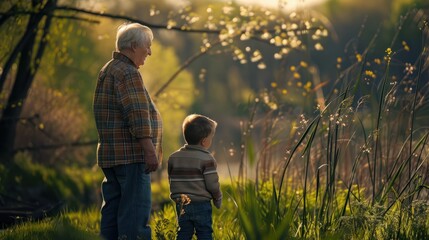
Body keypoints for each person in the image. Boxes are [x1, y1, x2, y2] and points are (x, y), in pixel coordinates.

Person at [93, 22, 162, 240]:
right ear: (133, 46)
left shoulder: (108, 69)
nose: (149, 52)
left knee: (112, 211)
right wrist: (149, 150)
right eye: (147, 46)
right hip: (131, 157)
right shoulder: (129, 72)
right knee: (135, 214)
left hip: (112, 156)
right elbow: (137, 115)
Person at [168, 114, 222, 240]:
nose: (211, 140)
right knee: (204, 233)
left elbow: (172, 179)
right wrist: (217, 198)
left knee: (183, 233)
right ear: (204, 141)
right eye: (211, 137)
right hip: (201, 204)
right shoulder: (207, 158)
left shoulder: (173, 158)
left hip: (181, 203)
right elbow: (212, 184)